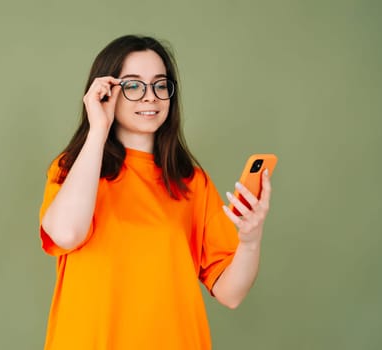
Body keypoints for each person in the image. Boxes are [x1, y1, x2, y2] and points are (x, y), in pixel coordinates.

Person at [38, 34, 273, 350]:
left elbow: (231, 293)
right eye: (133, 86)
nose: (151, 97)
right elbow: (67, 233)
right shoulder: (72, 170)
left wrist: (250, 240)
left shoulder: (191, 182)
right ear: (105, 92)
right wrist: (98, 129)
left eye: (160, 85)